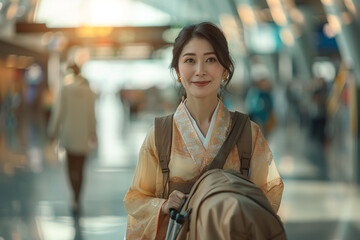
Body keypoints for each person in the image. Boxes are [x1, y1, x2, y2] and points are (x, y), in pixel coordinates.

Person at [123, 22, 284, 239]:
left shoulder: (248, 133)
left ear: (225, 69)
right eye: (190, 60)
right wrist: (162, 206)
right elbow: (136, 199)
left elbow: (267, 200)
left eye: (211, 60)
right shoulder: (160, 135)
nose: (200, 71)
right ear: (177, 70)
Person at [48, 63, 97, 215]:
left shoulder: (65, 89)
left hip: (69, 135)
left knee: (70, 168)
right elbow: (92, 115)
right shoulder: (88, 91)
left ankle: (73, 195)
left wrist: (52, 131)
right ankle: (77, 197)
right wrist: (93, 133)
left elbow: (58, 112)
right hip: (82, 136)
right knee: (81, 169)